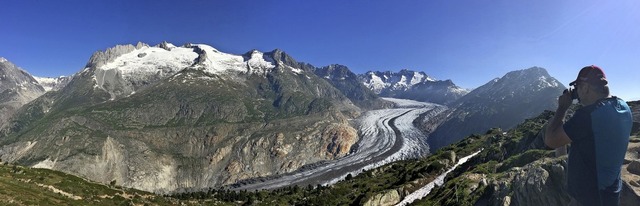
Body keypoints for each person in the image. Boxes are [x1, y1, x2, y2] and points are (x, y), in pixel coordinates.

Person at [545, 65, 633, 206]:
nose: (577, 94)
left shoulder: (589, 115)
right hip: (610, 193)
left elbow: (551, 140)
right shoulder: (624, 107)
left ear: (585, 87)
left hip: (590, 197)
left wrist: (562, 107)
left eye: (578, 88)